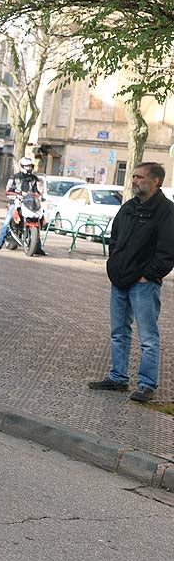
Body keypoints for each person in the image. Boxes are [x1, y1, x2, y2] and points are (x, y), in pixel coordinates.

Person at [87, 162, 174, 403]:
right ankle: (118, 378)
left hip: (144, 284)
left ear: (155, 181)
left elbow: (168, 250)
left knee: (148, 337)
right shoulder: (128, 207)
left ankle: (147, 384)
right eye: (133, 176)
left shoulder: (167, 211)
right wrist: (114, 263)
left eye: (139, 177)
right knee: (118, 332)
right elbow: (114, 238)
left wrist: (148, 274)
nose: (134, 180)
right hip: (120, 280)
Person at [0, 155, 45, 253]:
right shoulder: (15, 177)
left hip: (30, 203)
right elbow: (8, 190)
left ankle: (38, 247)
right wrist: (17, 194)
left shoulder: (34, 179)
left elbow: (37, 191)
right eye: (27, 166)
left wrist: (39, 195)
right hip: (16, 202)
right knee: (6, 222)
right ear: (22, 166)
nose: (29, 168)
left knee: (40, 218)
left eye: (30, 166)